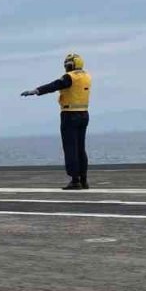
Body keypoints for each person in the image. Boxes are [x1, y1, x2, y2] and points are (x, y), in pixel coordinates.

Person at [21, 53, 92, 190]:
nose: (66, 67)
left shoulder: (70, 77)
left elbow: (55, 85)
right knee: (80, 148)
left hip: (69, 115)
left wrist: (36, 91)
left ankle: (75, 180)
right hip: (84, 114)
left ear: (71, 65)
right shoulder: (87, 77)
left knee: (70, 148)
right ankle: (84, 180)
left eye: (67, 64)